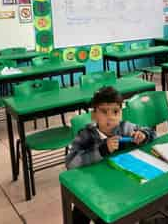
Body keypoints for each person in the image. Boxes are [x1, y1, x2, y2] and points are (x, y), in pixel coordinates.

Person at [66, 86, 156, 224]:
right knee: (81, 212)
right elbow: (70, 163)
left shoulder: (125, 128)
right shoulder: (86, 134)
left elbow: (152, 132)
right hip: (93, 189)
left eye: (115, 111)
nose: (110, 117)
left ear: (121, 113)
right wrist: (101, 150)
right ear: (94, 115)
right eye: (103, 112)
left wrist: (143, 135)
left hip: (121, 185)